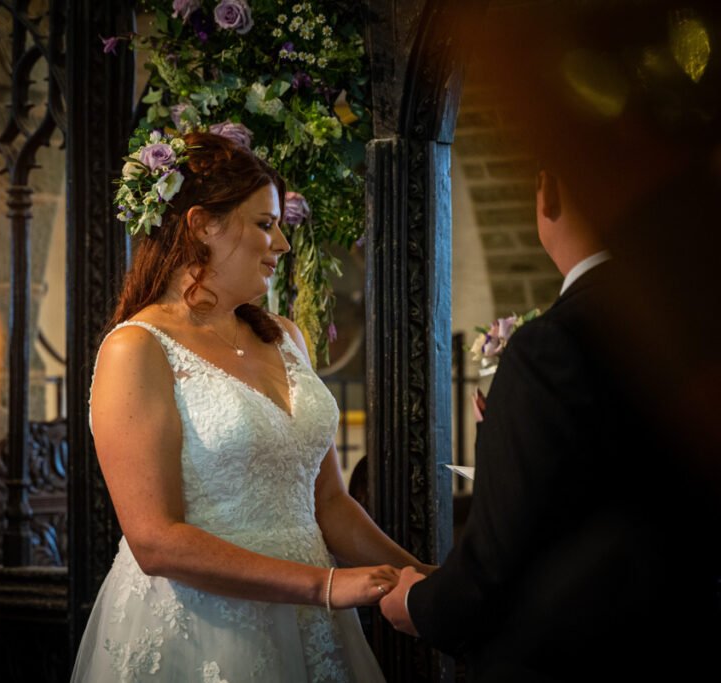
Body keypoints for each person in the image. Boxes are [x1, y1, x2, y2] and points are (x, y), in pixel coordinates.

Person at [71, 131, 433, 682]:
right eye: (265, 224)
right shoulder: (137, 349)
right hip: (202, 629)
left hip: (310, 621)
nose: (282, 244)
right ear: (201, 226)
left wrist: (422, 575)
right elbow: (155, 541)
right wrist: (327, 585)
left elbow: (329, 502)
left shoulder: (286, 337)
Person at [380, 154, 721, 678]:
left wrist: (419, 604)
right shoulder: (691, 326)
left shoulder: (554, 344)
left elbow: (499, 561)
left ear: (548, 192)